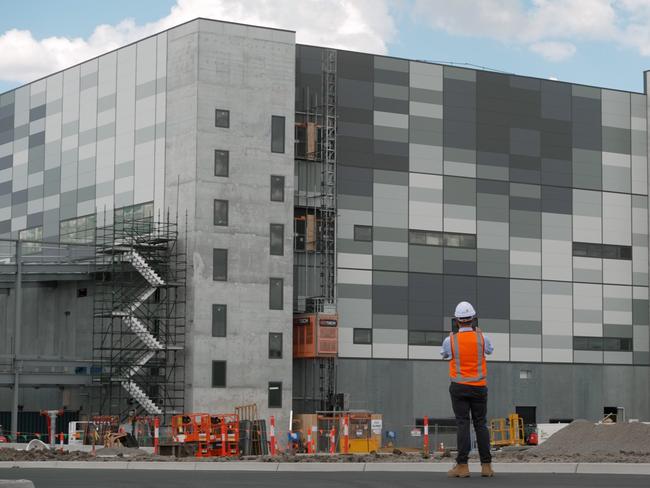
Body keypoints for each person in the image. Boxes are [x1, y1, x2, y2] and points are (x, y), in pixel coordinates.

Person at [441, 301, 495, 478]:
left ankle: (462, 466)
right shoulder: (482, 338)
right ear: (473, 319)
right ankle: (486, 466)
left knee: (463, 424)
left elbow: (445, 355)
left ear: (457, 320)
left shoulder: (450, 340)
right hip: (479, 388)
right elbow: (490, 351)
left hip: (459, 388)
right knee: (481, 424)